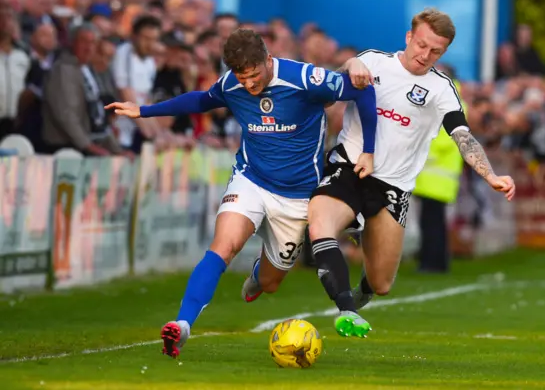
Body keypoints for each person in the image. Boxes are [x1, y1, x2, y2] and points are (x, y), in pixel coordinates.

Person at [105, 28, 378, 358]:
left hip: (296, 197)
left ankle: (258, 273)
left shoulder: (306, 79)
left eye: (254, 76)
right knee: (224, 246)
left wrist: (369, 150)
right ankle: (182, 325)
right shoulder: (231, 84)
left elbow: (363, 92)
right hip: (250, 180)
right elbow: (201, 100)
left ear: (267, 59)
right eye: (242, 77)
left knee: (271, 282)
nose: (249, 85)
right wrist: (144, 111)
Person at [308, 8, 515, 337]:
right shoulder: (374, 61)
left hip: (393, 188)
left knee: (382, 283)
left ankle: (363, 252)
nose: (425, 55)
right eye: (421, 45)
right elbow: (332, 80)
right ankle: (347, 311)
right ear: (409, 37)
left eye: (436, 51)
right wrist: (351, 64)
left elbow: (463, 136)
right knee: (320, 224)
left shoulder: (441, 89)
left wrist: (489, 175)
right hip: (350, 165)